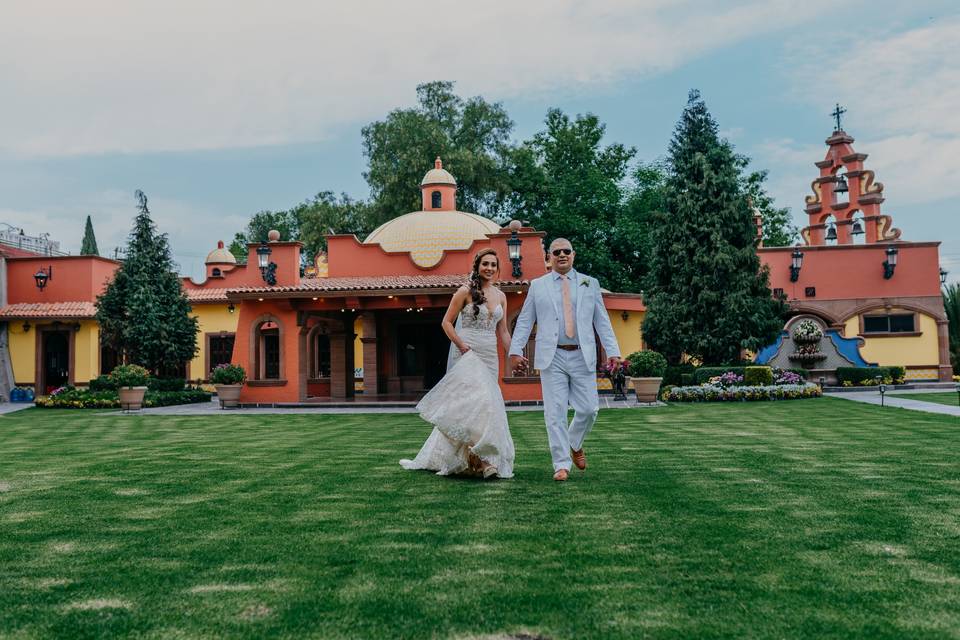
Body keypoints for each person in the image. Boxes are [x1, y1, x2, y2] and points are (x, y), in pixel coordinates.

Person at [509, 238, 621, 481]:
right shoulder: (538, 286)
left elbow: (602, 321)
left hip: (583, 354)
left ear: (573, 255)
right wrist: (515, 351)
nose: (562, 255)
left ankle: (574, 442)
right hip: (553, 355)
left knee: (590, 409)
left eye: (566, 251)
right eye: (556, 251)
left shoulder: (590, 284)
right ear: (549, 257)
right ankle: (561, 464)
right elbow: (526, 320)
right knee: (555, 412)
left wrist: (613, 352)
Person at [400, 248, 515, 479]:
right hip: (468, 353)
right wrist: (461, 345)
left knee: (486, 406)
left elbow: (503, 331)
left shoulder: (501, 296)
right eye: (485, 264)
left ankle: (474, 457)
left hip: (490, 356)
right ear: (477, 266)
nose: (489, 268)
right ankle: (482, 460)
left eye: (493, 264)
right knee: (473, 403)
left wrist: (514, 354)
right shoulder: (464, 292)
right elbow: (446, 323)